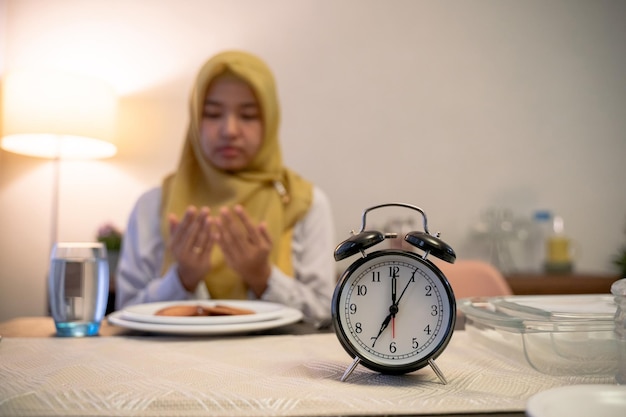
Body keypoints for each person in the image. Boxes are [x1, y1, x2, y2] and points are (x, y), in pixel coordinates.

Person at [115, 50, 335, 322]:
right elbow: (124, 311)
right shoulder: (154, 204)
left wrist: (263, 277)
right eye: (212, 113)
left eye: (248, 115)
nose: (229, 130)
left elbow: (327, 313)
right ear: (195, 120)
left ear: (270, 120)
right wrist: (183, 278)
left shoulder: (304, 202)